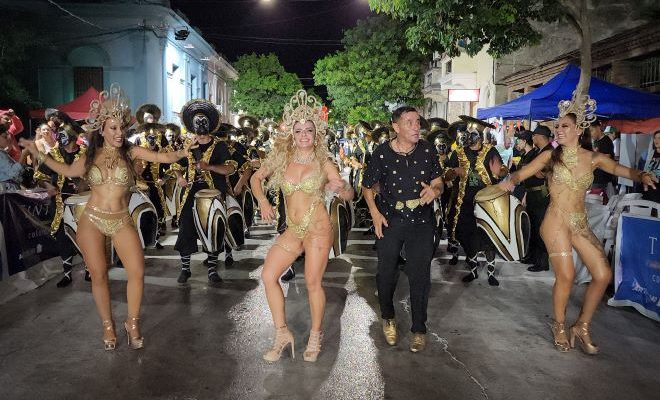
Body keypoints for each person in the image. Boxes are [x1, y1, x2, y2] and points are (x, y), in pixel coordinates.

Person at [20, 83, 194, 351]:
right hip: (92, 219)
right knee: (99, 275)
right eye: (113, 128)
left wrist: (183, 151)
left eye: (121, 128)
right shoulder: (89, 158)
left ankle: (132, 322)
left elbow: (163, 156)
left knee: (137, 272)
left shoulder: (132, 152)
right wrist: (37, 152)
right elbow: (65, 171)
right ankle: (107, 325)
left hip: (122, 219)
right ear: (101, 130)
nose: (119, 133)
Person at [499, 95, 657, 355]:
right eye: (557, 127)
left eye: (564, 126)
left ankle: (581, 325)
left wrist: (641, 174)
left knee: (603, 275)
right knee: (567, 276)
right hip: (555, 221)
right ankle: (559, 325)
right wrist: (510, 180)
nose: (558, 130)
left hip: (579, 222)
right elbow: (522, 172)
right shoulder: (550, 156)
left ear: (578, 130)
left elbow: (621, 170)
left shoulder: (593, 158)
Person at [250, 89, 353, 362]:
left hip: (318, 229)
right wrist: (262, 201)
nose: (304, 135)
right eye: (298, 130)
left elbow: (347, 192)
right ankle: (282, 333)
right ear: (291, 133)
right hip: (294, 229)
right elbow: (255, 178)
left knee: (311, 283)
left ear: (316, 133)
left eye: (309, 130)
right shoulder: (281, 159)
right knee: (268, 276)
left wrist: (340, 188)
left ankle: (315, 335)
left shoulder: (323, 161)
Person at [362, 106, 444, 353]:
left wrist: (435, 190)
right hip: (390, 219)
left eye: (418, 122)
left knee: (420, 276)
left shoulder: (428, 150)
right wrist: (375, 214)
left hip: (421, 221)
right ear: (396, 127)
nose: (416, 126)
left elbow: (438, 181)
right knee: (386, 273)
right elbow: (367, 187)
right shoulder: (382, 153)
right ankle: (388, 317)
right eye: (409, 122)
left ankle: (419, 329)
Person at [172, 100, 239, 283]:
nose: (200, 124)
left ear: (210, 124)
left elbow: (230, 169)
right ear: (192, 125)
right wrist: (179, 177)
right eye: (197, 121)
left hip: (213, 194)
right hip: (190, 193)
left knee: (213, 229)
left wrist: (209, 166)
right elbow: (176, 164)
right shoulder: (188, 144)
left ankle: (212, 270)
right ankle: (185, 269)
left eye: (203, 121)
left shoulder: (220, 146)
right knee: (185, 227)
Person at [445, 117, 507, 286]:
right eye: (466, 134)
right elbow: (446, 176)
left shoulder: (491, 151)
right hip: (465, 203)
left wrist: (501, 171)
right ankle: (473, 271)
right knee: (469, 236)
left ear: (479, 136)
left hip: (487, 203)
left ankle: (491, 273)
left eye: (471, 134)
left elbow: (501, 171)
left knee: (488, 237)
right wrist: (454, 172)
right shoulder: (458, 153)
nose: (467, 137)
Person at [33, 123, 91, 287]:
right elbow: (39, 176)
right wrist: (48, 186)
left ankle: (89, 270)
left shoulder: (85, 155)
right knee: (63, 239)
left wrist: (86, 184)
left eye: (63, 134)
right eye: (58, 134)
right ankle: (67, 274)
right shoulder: (52, 155)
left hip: (83, 205)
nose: (59, 137)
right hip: (60, 205)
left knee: (86, 238)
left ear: (72, 137)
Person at [518, 126, 554, 272]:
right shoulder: (537, 152)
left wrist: (533, 169)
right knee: (532, 226)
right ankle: (533, 256)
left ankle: (542, 262)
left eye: (534, 136)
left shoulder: (549, 151)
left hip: (542, 195)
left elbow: (541, 174)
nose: (532, 138)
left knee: (540, 227)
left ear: (540, 136)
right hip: (532, 193)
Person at [589, 119, 614, 203]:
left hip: (602, 180)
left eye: (591, 130)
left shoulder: (606, 141)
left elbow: (606, 160)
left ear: (598, 128)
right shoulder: (596, 142)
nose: (590, 134)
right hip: (596, 178)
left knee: (598, 203)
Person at [0, 124, 25, 192]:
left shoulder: (3, 153)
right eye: (4, 137)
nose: (7, 139)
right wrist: (23, 155)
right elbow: (13, 174)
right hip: (7, 194)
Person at [641, 130, 660, 203]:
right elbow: (646, 168)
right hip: (649, 190)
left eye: (659, 138)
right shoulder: (651, 153)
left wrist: (657, 179)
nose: (656, 140)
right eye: (655, 138)